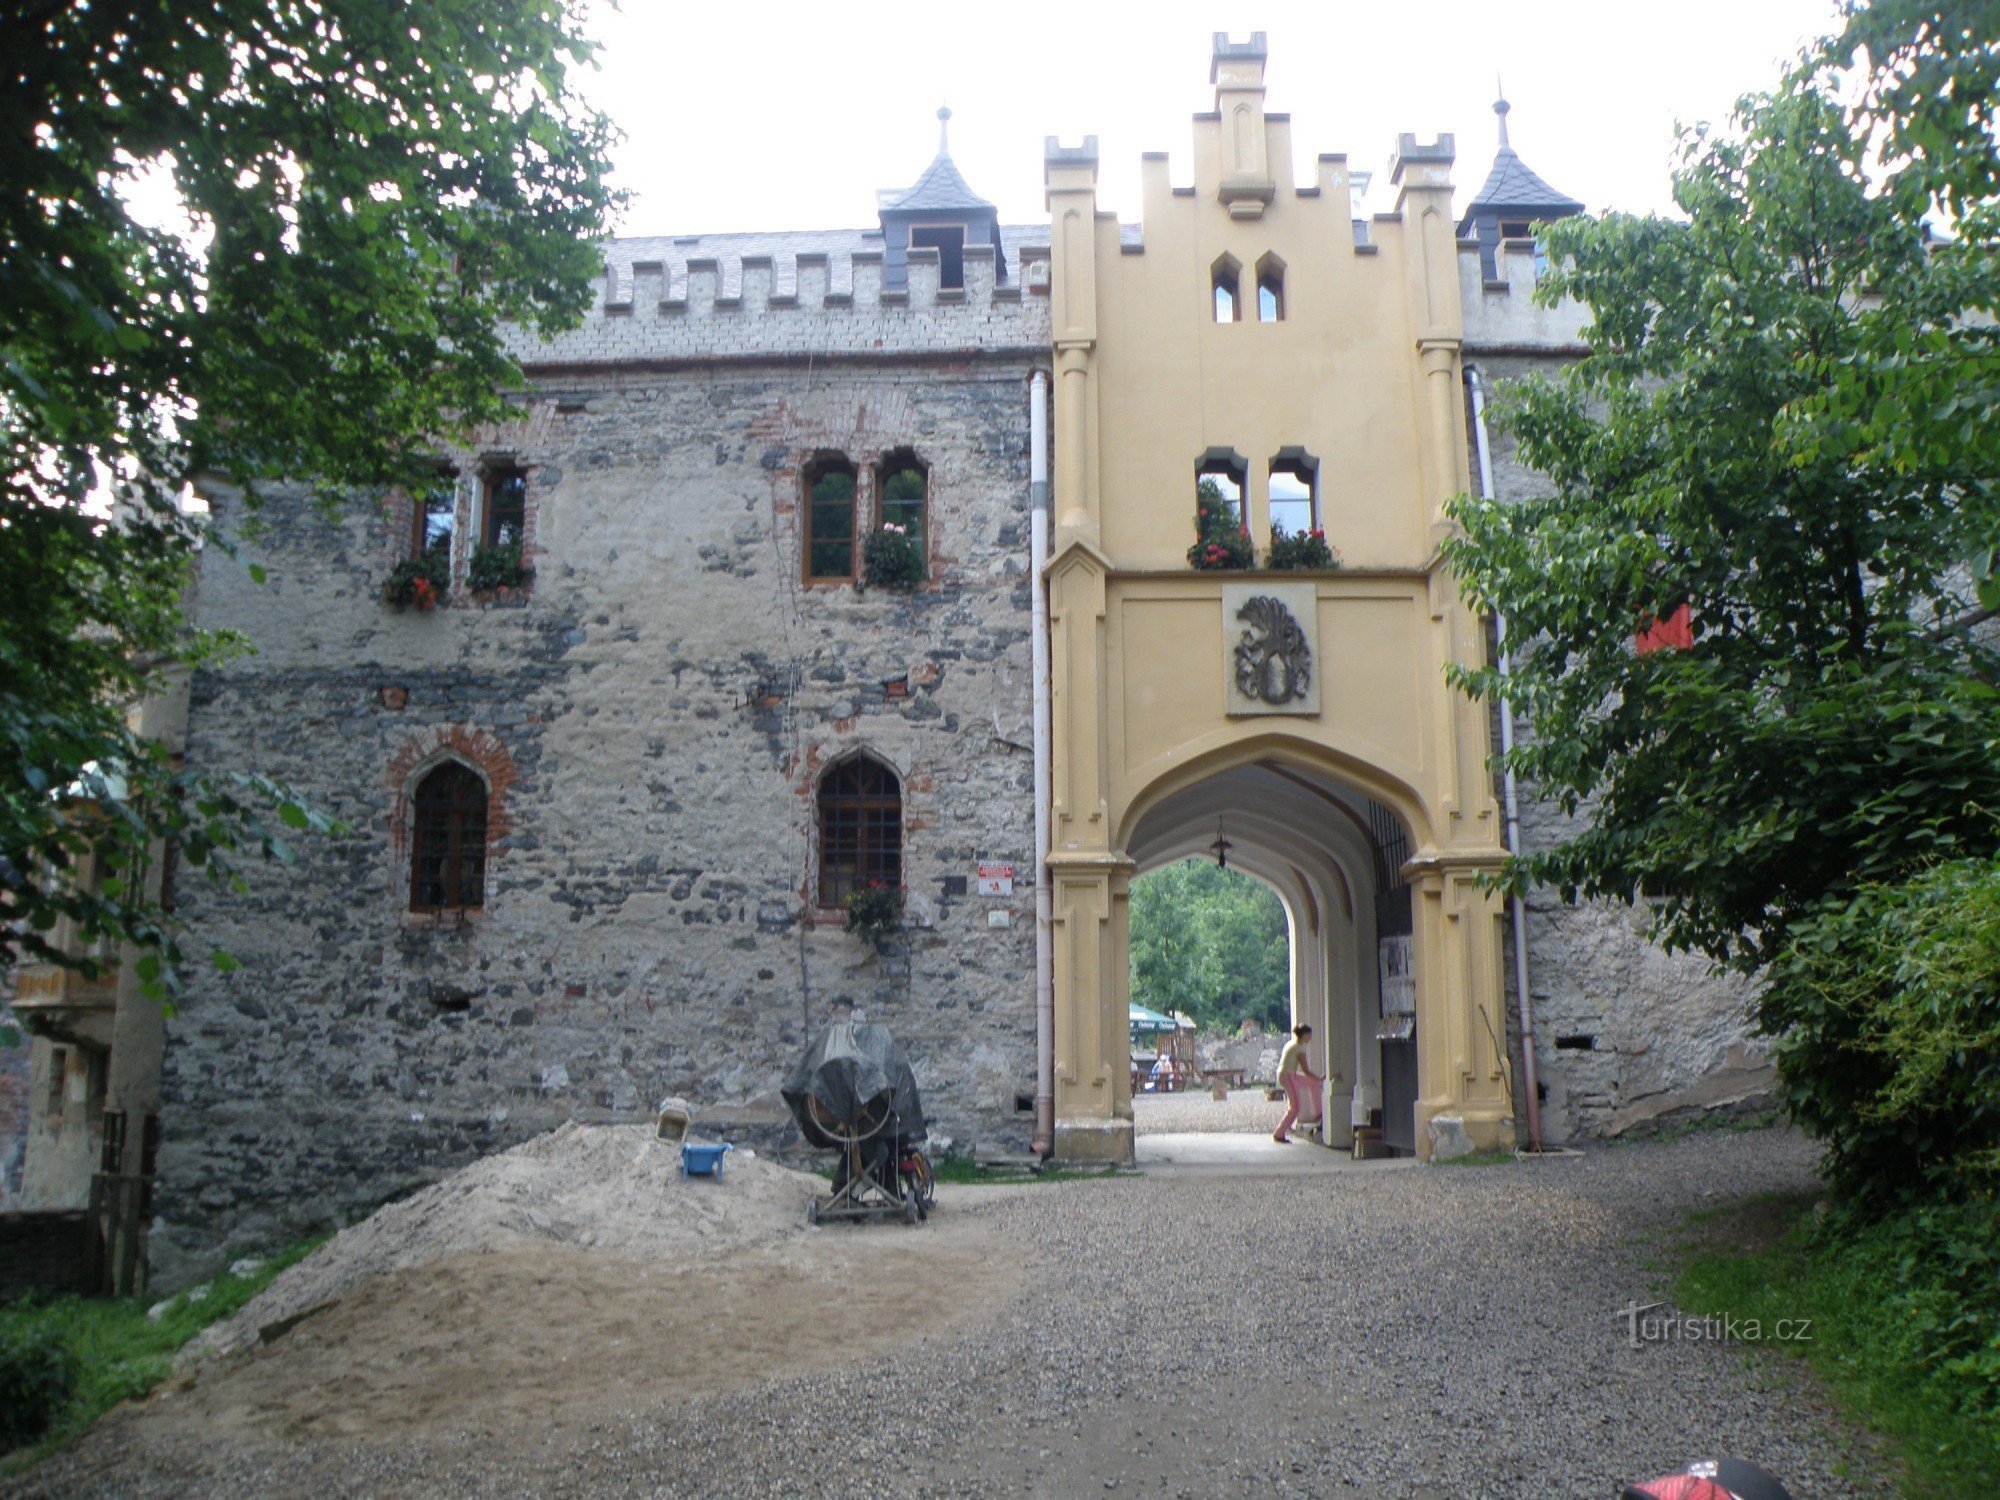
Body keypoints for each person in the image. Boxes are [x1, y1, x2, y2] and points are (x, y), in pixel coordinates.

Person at [1272, 1023, 1322, 1143]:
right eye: (1309, 1035)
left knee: (1313, 1084)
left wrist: (1316, 1080)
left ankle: (1318, 1113)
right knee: (1295, 1107)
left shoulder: (1291, 1043)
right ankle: (1279, 1133)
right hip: (1287, 1076)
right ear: (1304, 1035)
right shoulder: (1299, 1048)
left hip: (1288, 1074)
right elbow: (1305, 1070)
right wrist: (1319, 1078)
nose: (1310, 1037)